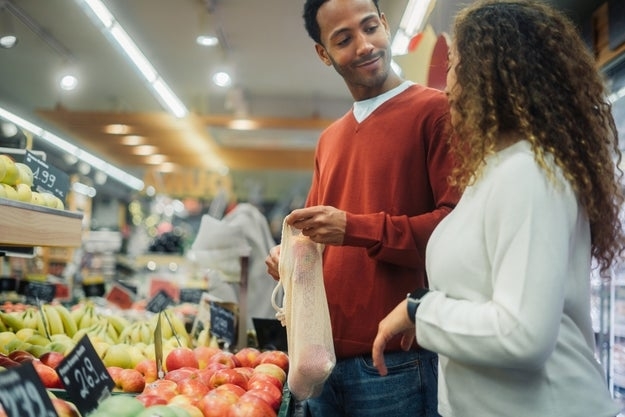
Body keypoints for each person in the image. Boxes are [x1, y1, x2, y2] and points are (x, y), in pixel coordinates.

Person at [371, 1, 625, 416]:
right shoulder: (496, 172)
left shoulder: (529, 172)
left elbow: (521, 335)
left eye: (453, 64)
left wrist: (420, 309)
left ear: (490, 75)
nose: (447, 85)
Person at [265, 0, 459, 415]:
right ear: (324, 53)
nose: (365, 45)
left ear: (386, 25)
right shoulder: (329, 139)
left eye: (370, 27)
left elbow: (457, 229)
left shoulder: (435, 111)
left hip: (397, 360)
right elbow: (313, 236)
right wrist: (289, 256)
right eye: (344, 39)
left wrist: (356, 228)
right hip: (319, 362)